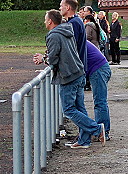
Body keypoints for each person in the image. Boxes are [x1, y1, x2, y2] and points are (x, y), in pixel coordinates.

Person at [33, 10, 105, 149]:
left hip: (68, 76)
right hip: (79, 72)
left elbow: (54, 59)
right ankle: (85, 140)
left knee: (69, 109)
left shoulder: (53, 35)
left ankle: (96, 129)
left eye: (45, 19)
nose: (44, 22)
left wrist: (43, 59)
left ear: (50, 21)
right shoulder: (67, 30)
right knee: (79, 107)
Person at [85, 40, 111, 140]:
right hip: (99, 68)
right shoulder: (82, 41)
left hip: (98, 70)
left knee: (100, 101)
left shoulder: (78, 42)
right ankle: (102, 130)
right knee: (100, 101)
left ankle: (103, 132)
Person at [59, 0, 87, 73]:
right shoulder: (77, 21)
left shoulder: (73, 23)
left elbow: (70, 47)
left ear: (67, 7)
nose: (60, 8)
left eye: (61, 6)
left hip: (75, 70)